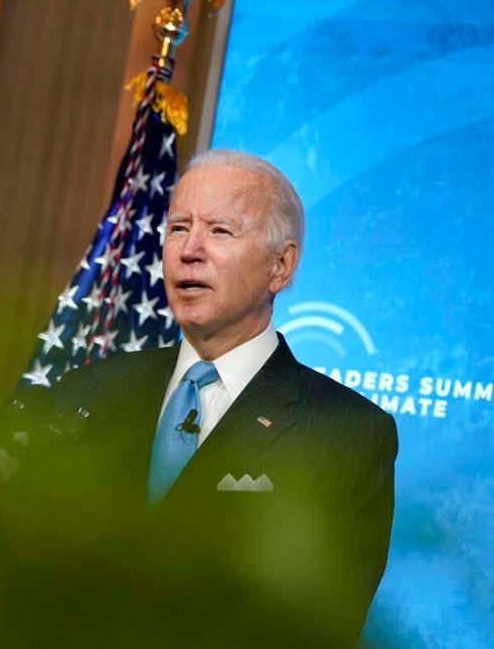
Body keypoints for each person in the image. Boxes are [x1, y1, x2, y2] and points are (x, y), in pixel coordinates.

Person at [44, 149, 399, 648]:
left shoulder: (347, 431)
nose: (189, 250)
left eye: (220, 231)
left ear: (281, 265)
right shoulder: (90, 391)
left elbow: (317, 627)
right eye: (178, 228)